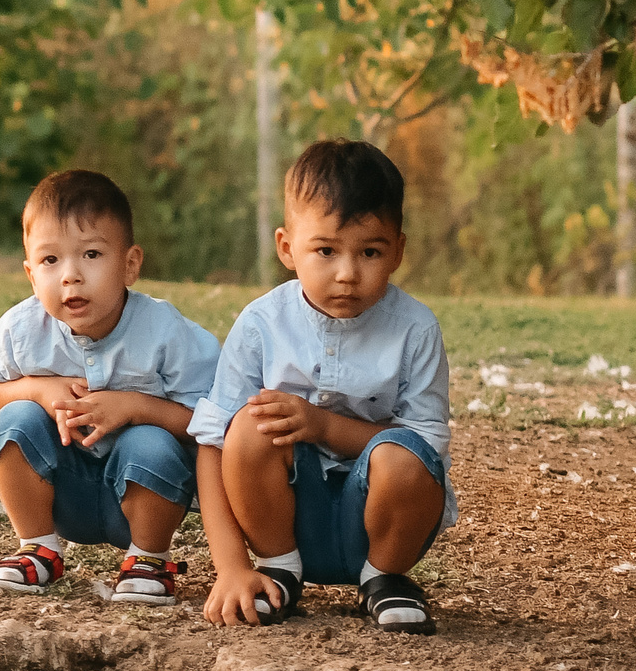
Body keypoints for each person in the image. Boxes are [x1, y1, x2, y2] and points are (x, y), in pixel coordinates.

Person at [190, 139, 451, 634]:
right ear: (288, 248)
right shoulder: (262, 324)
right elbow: (212, 443)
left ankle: (383, 580)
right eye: (325, 250)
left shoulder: (415, 329)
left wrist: (322, 426)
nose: (348, 274)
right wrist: (230, 569)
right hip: (282, 519)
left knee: (405, 454)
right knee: (248, 424)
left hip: (381, 526)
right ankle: (278, 571)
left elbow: (427, 452)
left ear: (398, 249)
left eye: (370, 251)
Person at [0, 170, 221, 604]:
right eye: (51, 261)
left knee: (150, 442)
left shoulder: (165, 332)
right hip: (61, 487)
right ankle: (37, 548)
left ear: (130, 264)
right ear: (31, 274)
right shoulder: (20, 329)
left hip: (144, 492)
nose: (70, 275)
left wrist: (133, 407)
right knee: (14, 420)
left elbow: (209, 422)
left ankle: (149, 557)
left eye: (91, 254)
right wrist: (36, 389)